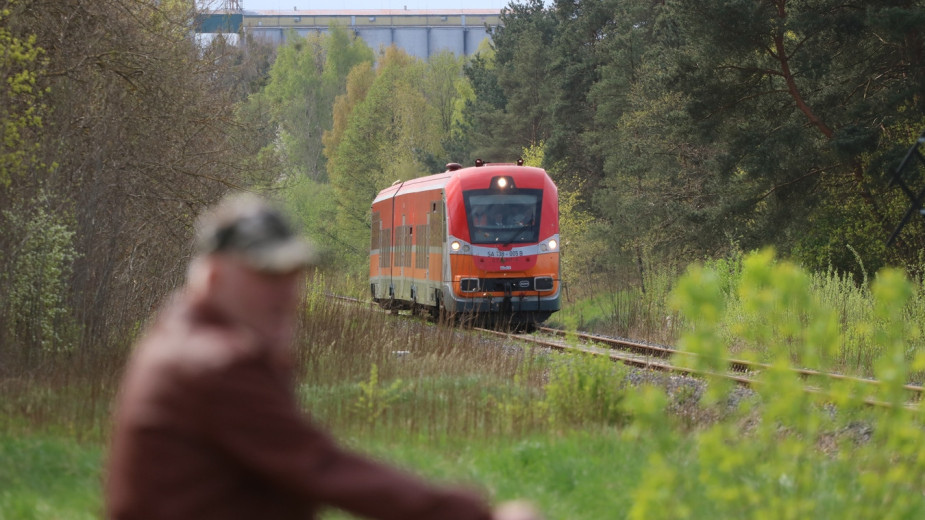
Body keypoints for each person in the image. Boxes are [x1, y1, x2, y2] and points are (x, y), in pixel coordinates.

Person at [105, 194, 541, 520]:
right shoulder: (218, 366)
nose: (286, 292)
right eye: (266, 275)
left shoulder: (175, 337)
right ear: (215, 277)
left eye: (292, 274)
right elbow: (322, 468)